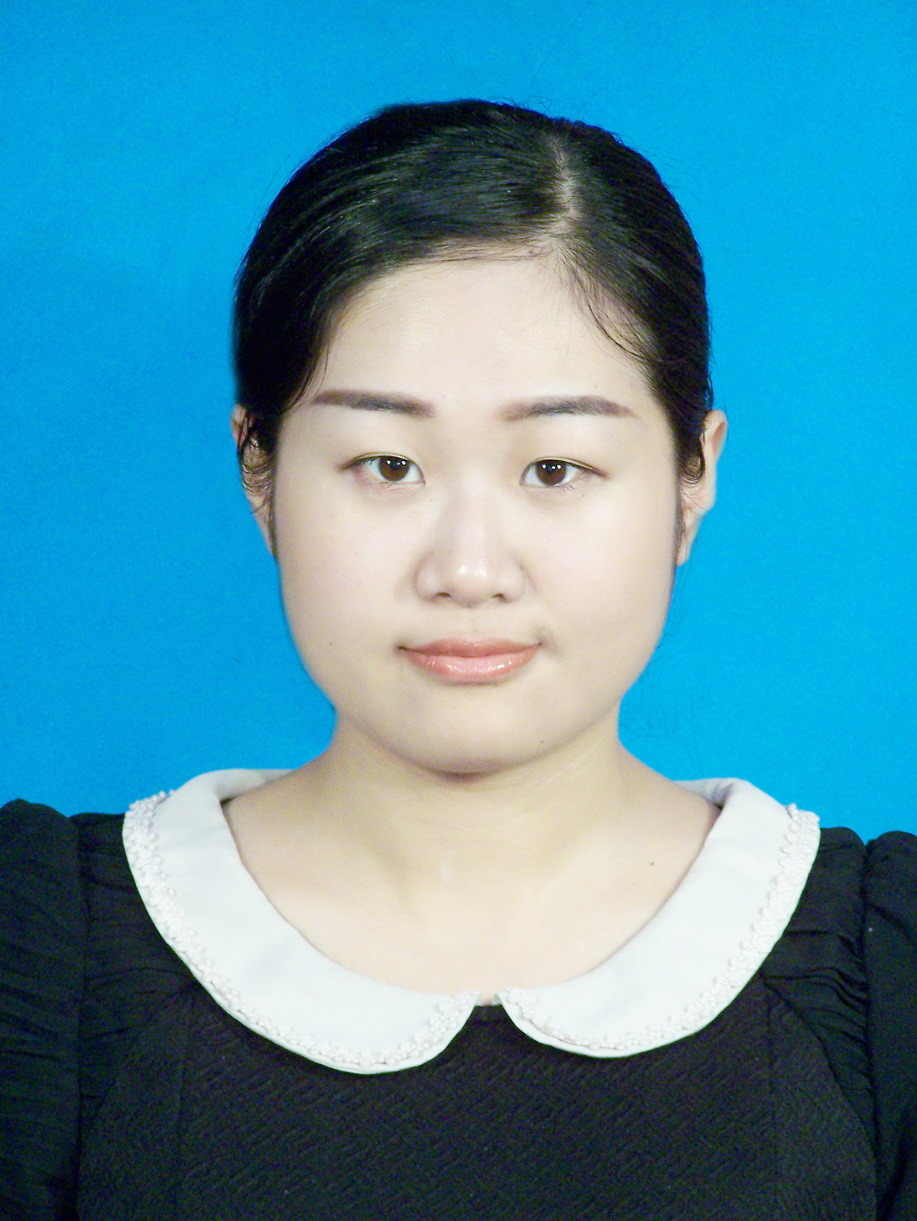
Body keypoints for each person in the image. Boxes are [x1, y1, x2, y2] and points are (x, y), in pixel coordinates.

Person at [1, 99, 914, 1221]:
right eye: (387, 465)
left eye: (553, 468)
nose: (468, 570)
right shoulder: (40, 958)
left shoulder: (880, 980)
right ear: (258, 471)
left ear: (693, 477)